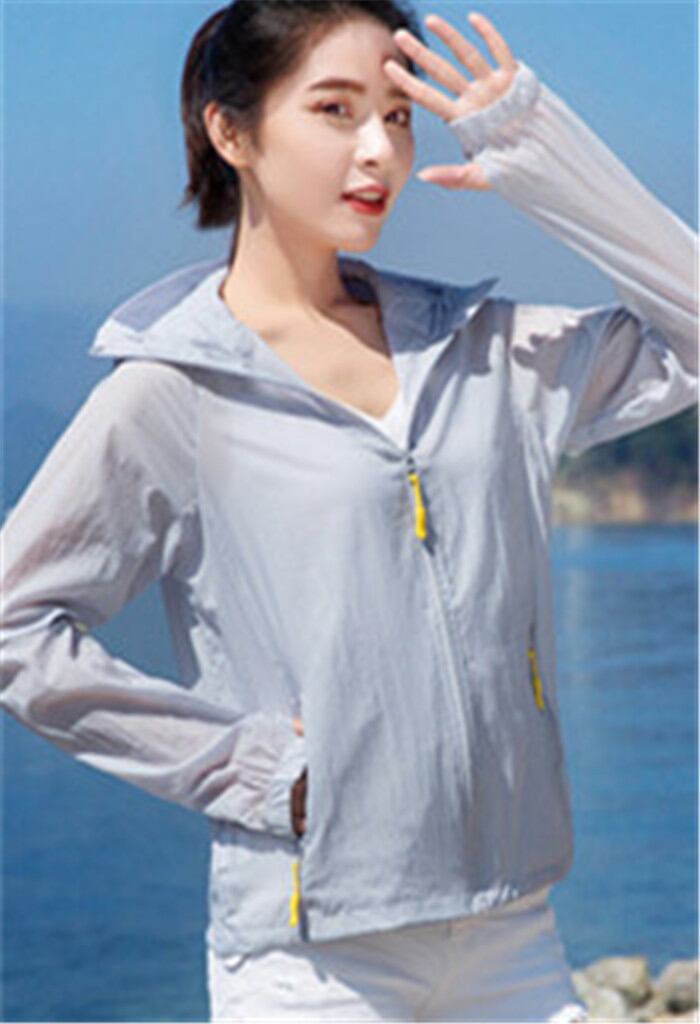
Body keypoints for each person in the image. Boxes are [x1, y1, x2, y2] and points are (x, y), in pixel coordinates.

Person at [1, 0, 696, 1020]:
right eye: (335, 110)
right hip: (311, 960)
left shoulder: (482, 352)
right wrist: (251, 769)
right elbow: (15, 625)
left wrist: (538, 157)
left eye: (398, 116)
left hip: (514, 937)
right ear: (231, 131)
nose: (379, 151)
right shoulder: (176, 390)